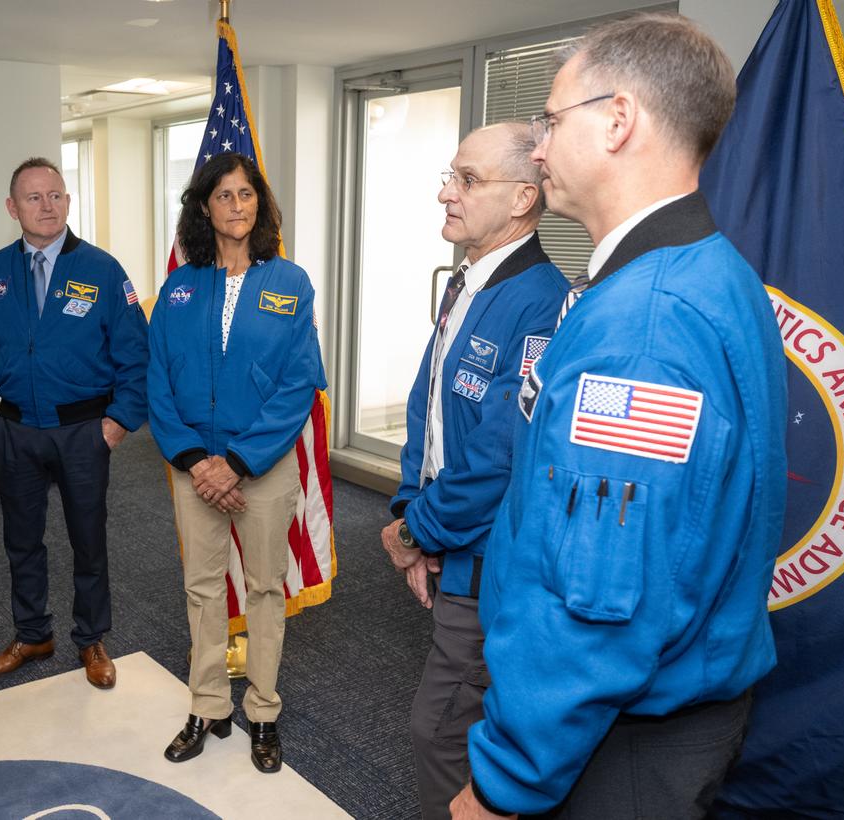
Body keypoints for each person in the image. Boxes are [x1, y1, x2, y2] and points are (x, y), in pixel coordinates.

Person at [451, 13, 787, 820]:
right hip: (666, 715)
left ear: (618, 119)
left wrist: (506, 783)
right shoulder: (708, 269)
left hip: (619, 746)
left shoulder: (642, 329)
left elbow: (599, 604)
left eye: (551, 122)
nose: (537, 147)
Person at [381, 124, 567, 819]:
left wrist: (413, 533)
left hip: (492, 562)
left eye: (465, 179)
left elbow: (498, 456)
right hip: (449, 542)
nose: (444, 193)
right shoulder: (469, 279)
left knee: (441, 735)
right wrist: (409, 509)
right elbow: (430, 408)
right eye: (448, 175)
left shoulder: (541, 301)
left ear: (523, 197)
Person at [148, 152, 326, 774]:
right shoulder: (179, 286)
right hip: (193, 463)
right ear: (204, 206)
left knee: (263, 589)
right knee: (201, 588)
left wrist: (241, 461)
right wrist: (199, 461)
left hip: (264, 464)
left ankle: (264, 711)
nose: (237, 205)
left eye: (247, 194)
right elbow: (158, 382)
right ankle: (208, 705)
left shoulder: (290, 282)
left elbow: (299, 382)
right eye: (224, 195)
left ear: (261, 204)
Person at [0, 157, 148, 689]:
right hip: (15, 431)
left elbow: (136, 354)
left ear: (69, 200)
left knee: (88, 539)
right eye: (35, 198)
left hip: (84, 431)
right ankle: (31, 633)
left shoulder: (103, 270)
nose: (48, 206)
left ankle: (91, 638)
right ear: (12, 207)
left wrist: (117, 423)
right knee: (21, 539)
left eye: (57, 195)